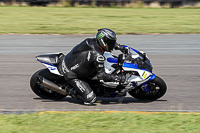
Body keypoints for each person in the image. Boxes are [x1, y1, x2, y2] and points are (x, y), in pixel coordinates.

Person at [61, 28, 127, 105]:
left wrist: (120, 47)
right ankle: (68, 89)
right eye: (110, 42)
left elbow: (108, 44)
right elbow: (102, 76)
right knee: (90, 99)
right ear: (103, 41)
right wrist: (118, 78)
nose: (112, 44)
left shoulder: (91, 41)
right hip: (72, 74)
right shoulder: (97, 56)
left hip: (70, 60)